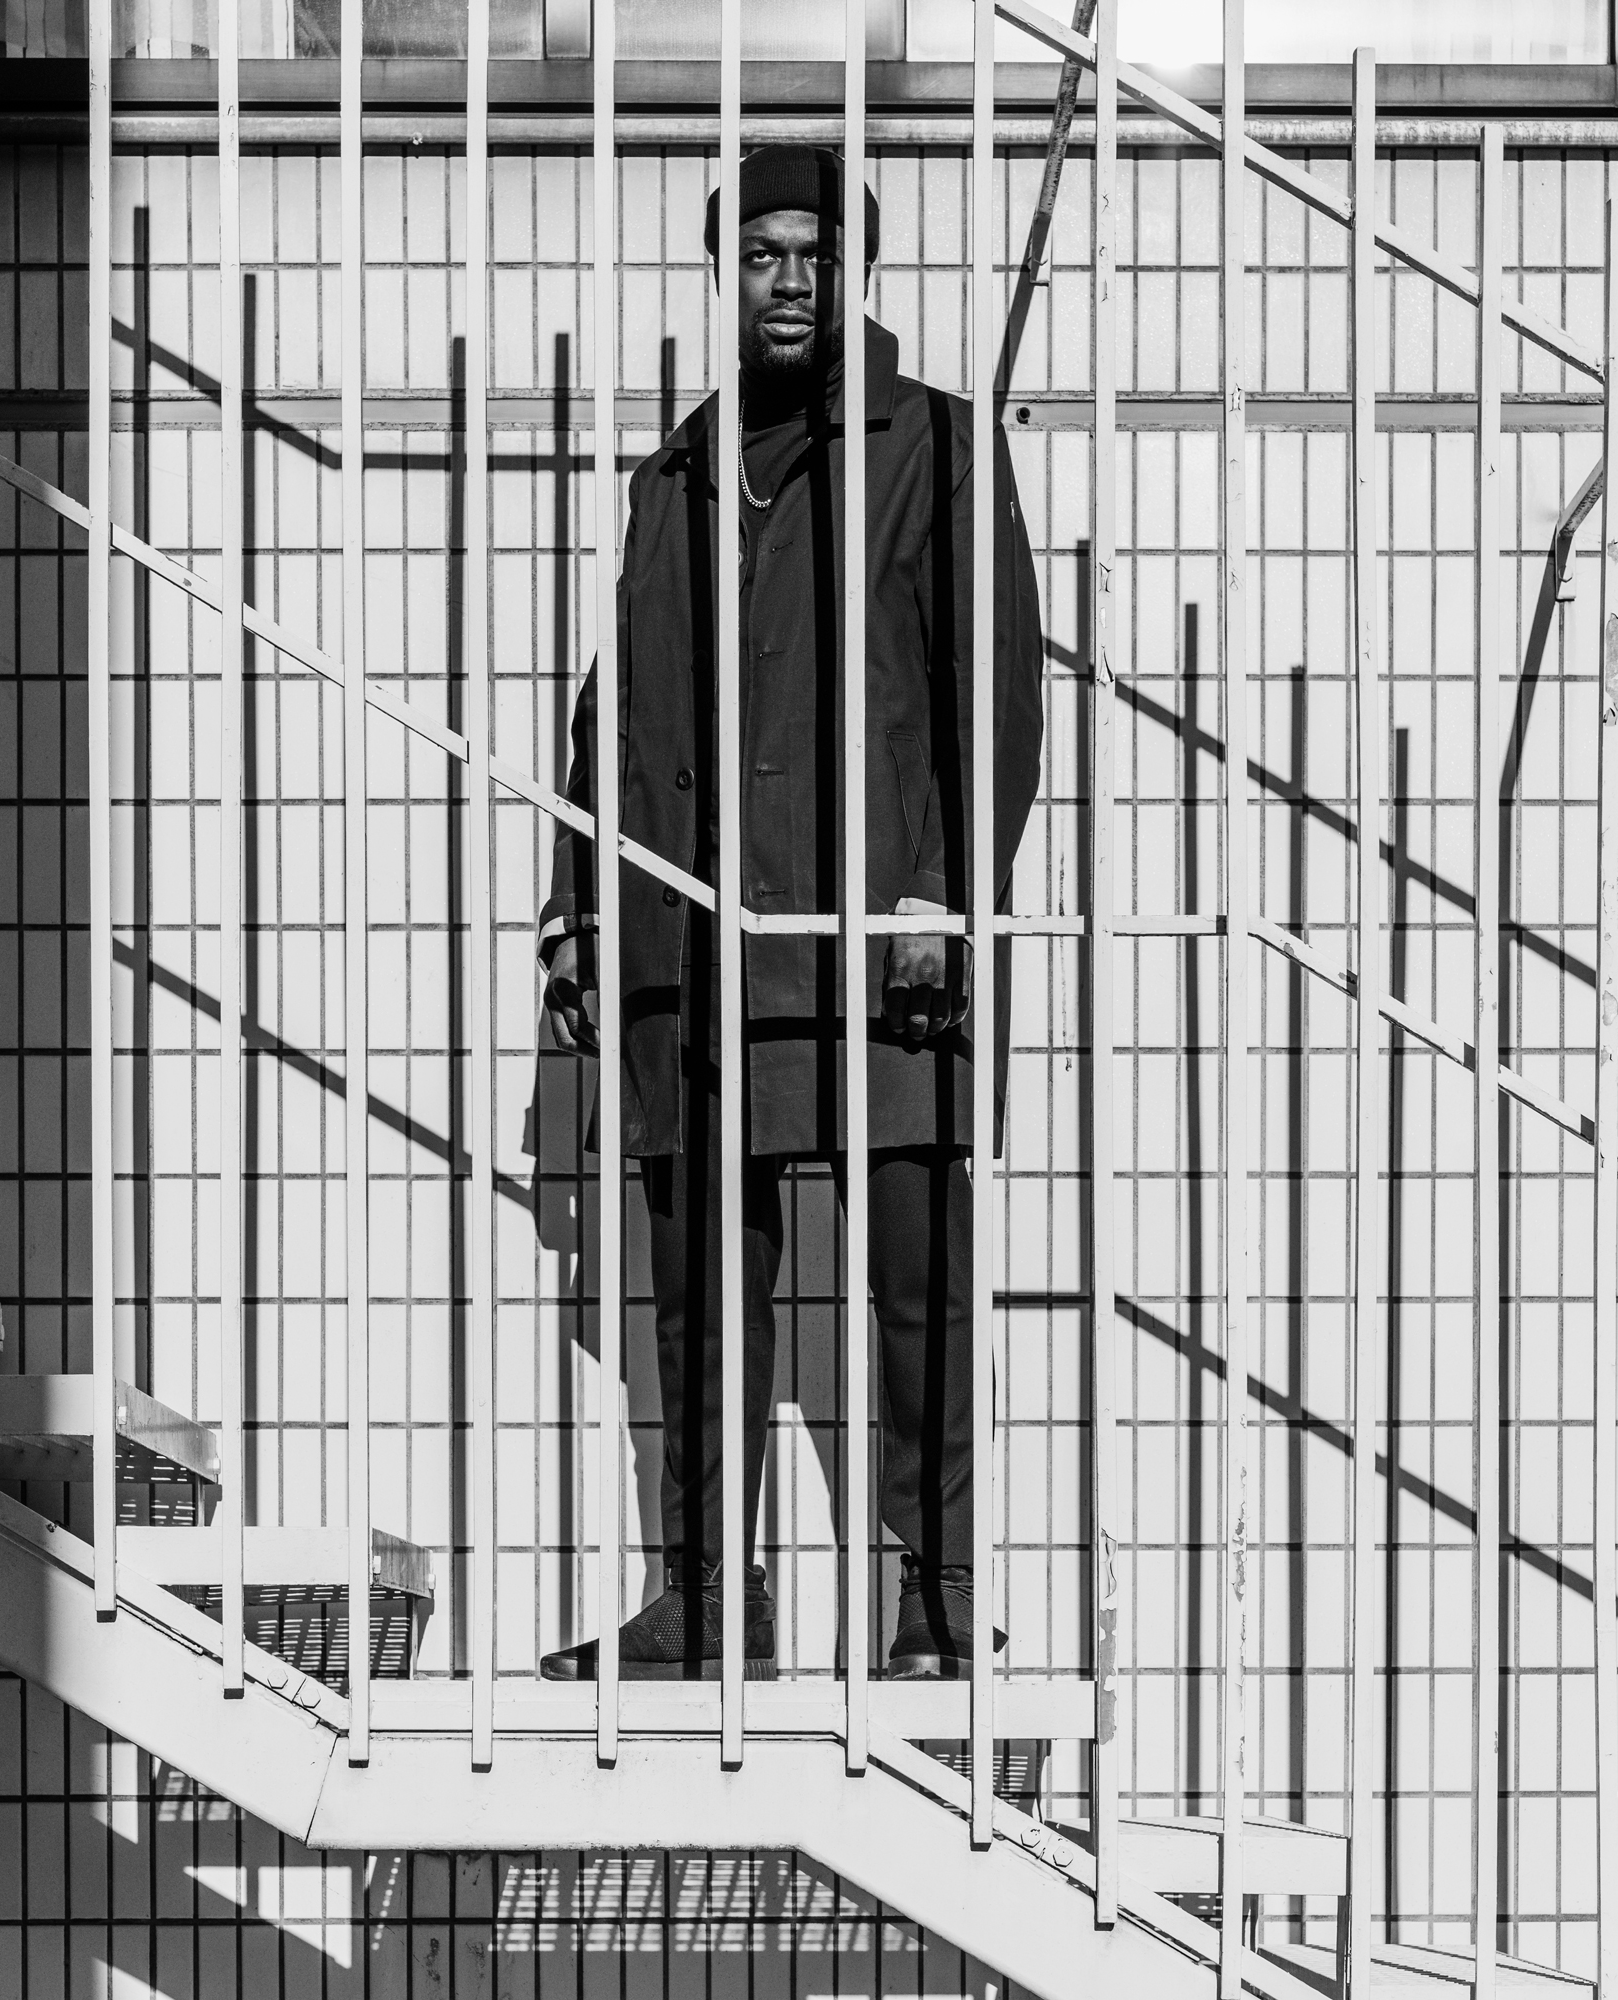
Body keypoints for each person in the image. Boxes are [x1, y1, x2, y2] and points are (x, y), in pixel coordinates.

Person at [535, 147, 1045, 1682]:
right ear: (727, 272)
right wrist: (578, 907)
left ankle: (936, 1603)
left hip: (880, 939)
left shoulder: (933, 444)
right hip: (700, 942)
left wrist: (945, 892)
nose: (789, 281)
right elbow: (615, 715)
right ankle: (706, 1601)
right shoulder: (677, 474)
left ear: (854, 272)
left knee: (919, 1285)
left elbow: (997, 690)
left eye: (814, 253)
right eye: (761, 253)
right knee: (701, 1303)